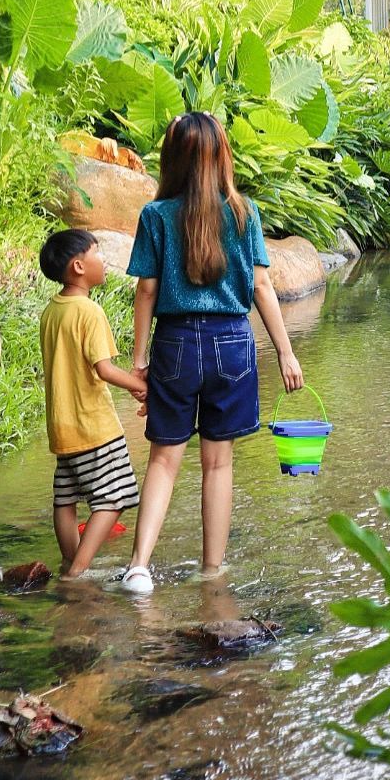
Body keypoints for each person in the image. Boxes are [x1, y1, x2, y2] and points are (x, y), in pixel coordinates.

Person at [118, 112, 303, 595]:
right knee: (218, 464)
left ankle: (139, 567)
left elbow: (146, 291)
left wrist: (139, 361)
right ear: (223, 157)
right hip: (232, 344)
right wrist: (285, 352)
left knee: (163, 460)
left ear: (172, 159)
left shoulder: (156, 216)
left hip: (175, 343)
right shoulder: (244, 213)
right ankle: (211, 571)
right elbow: (262, 286)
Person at [38, 229, 147, 580]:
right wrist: (140, 386)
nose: (103, 261)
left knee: (65, 498)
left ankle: (70, 563)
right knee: (115, 496)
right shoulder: (89, 311)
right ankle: (78, 572)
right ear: (79, 266)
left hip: (61, 427)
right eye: (98, 254)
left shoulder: (51, 311)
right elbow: (103, 369)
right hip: (94, 427)